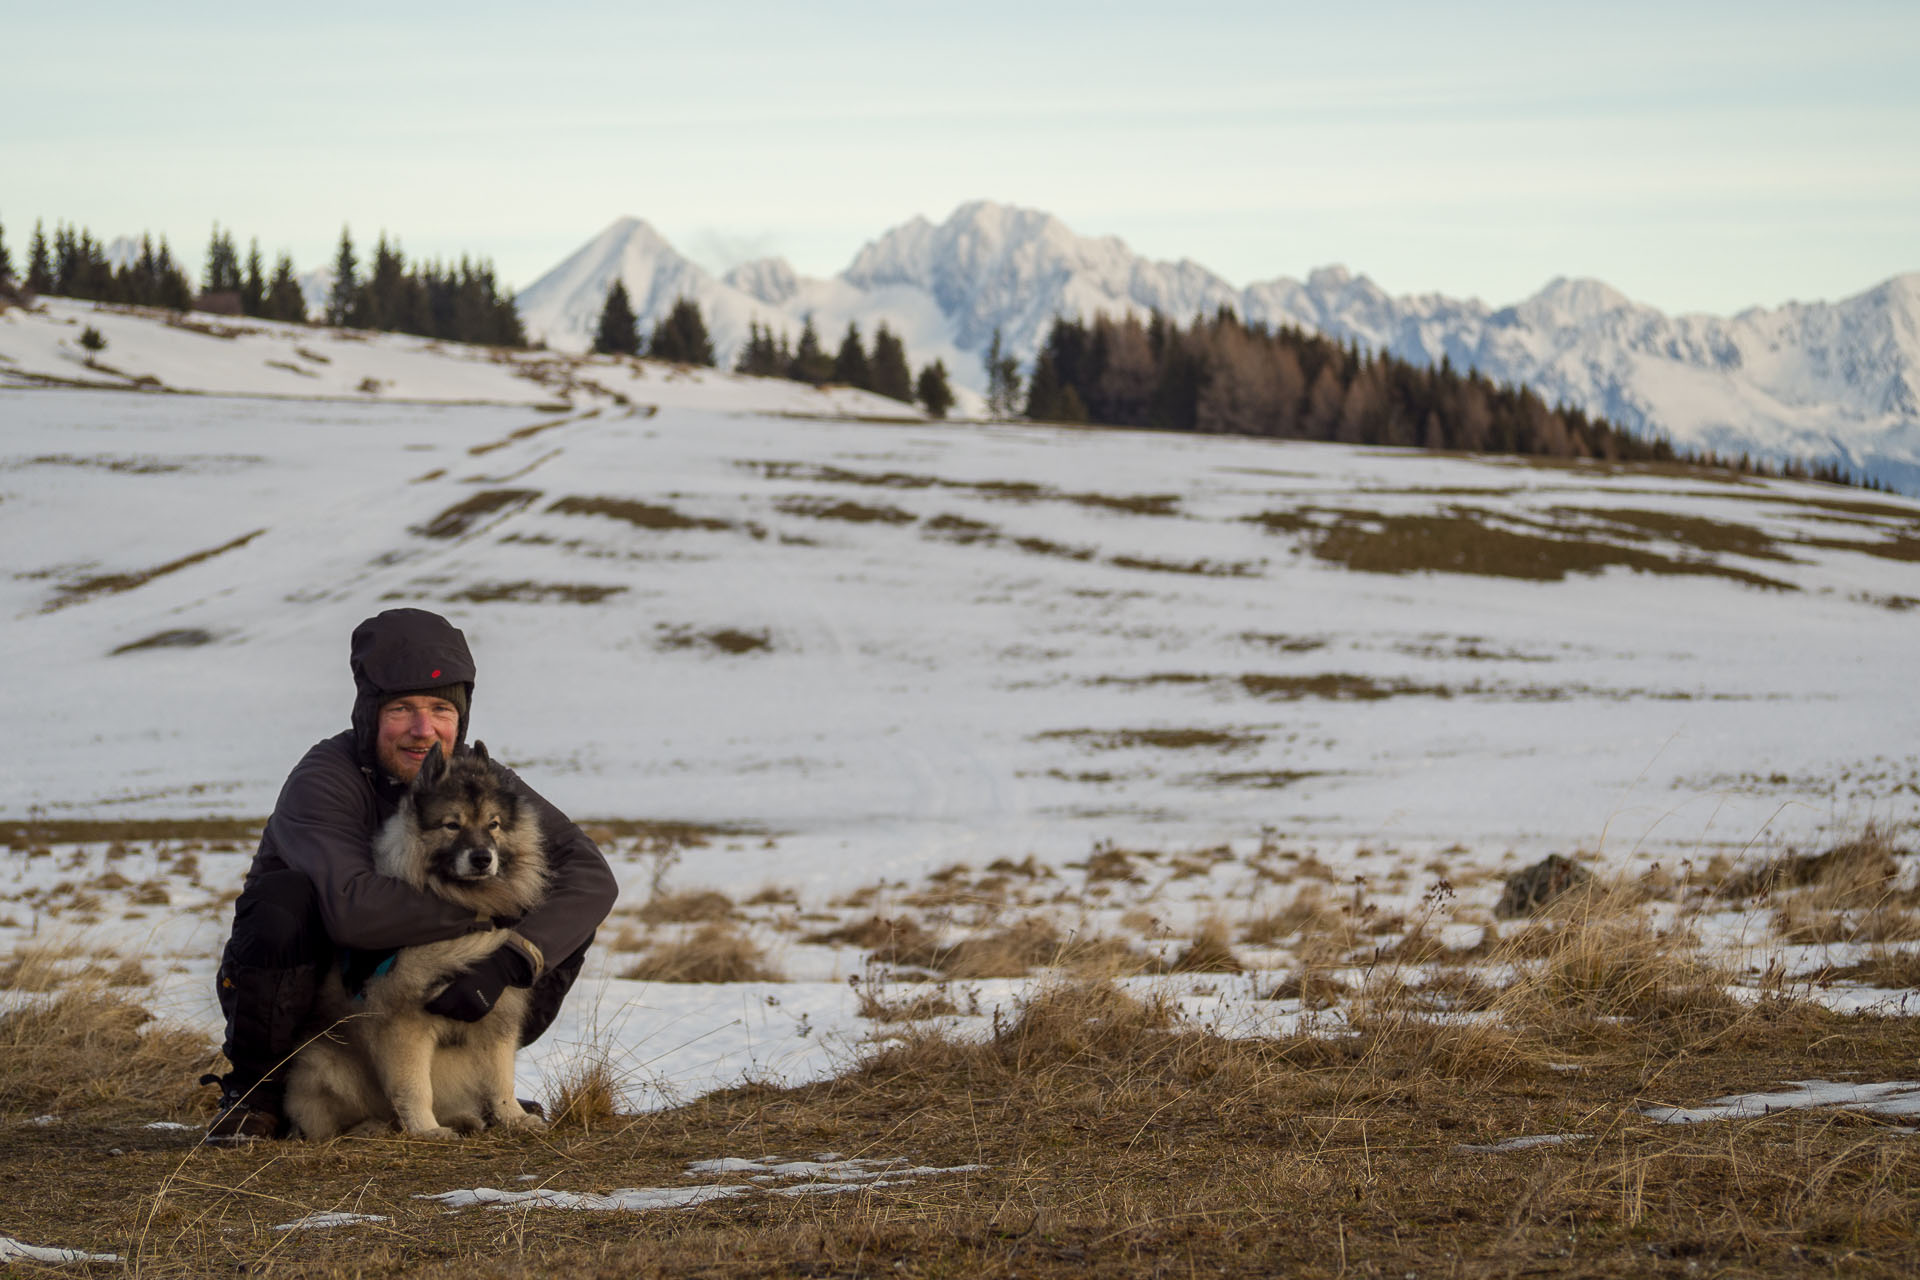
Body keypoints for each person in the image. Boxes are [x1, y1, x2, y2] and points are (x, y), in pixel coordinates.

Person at [202, 607, 618, 1140]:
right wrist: (491, 907)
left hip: (446, 1000)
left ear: (461, 718)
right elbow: (351, 907)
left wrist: (514, 958)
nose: (424, 731)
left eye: (441, 709)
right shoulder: (326, 778)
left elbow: (591, 875)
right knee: (283, 902)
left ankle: (465, 1086)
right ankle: (256, 1093)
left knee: (556, 906)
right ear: (370, 712)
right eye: (402, 709)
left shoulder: (477, 778)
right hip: (329, 1015)